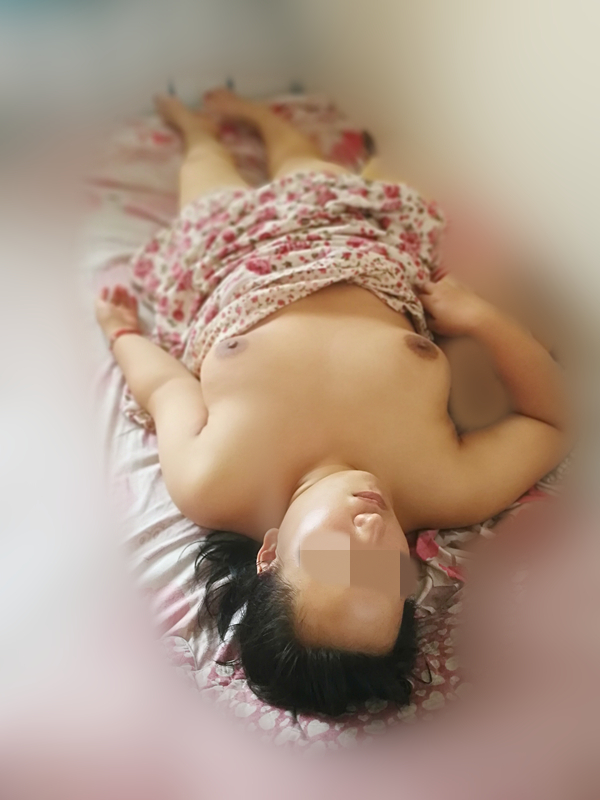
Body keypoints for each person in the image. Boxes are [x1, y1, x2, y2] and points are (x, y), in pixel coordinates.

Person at [95, 89, 571, 717]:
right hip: (353, 238)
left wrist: (122, 335)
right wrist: (480, 318)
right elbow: (549, 420)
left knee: (206, 168)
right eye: (383, 572)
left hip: (224, 259)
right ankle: (264, 122)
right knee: (303, 159)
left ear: (270, 552)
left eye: (337, 556)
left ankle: (203, 126)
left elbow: (167, 390)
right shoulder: (444, 486)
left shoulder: (213, 483)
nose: (371, 532)